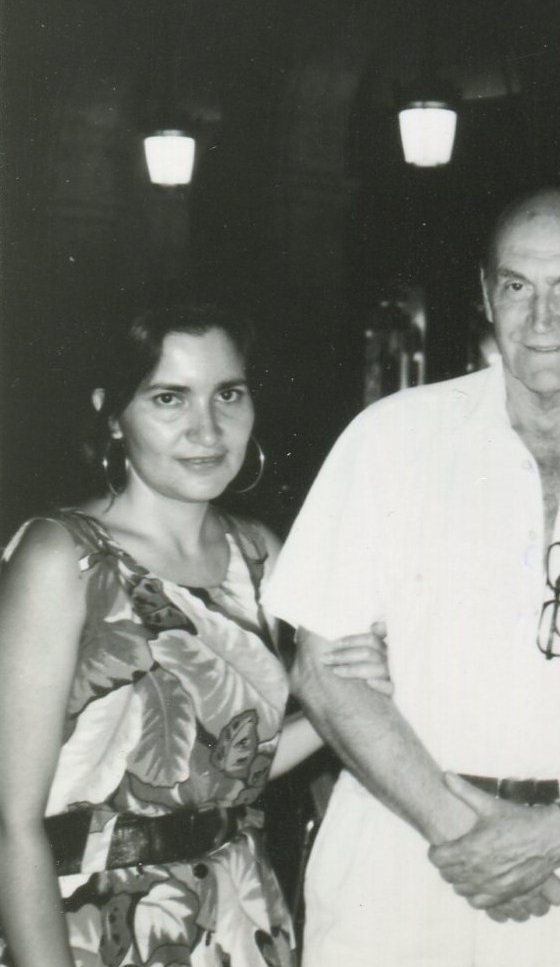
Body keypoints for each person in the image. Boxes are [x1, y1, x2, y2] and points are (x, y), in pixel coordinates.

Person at [268, 188, 560, 967]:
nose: (541, 317)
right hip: (398, 866)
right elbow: (323, 673)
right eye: (517, 286)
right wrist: (468, 837)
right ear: (487, 295)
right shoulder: (391, 440)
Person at [0, 305, 389, 967]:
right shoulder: (62, 557)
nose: (207, 429)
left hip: (239, 915)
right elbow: (11, 823)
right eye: (168, 398)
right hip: (94, 925)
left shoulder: (260, 553)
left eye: (228, 394)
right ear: (111, 412)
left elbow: (232, 768)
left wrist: (339, 704)